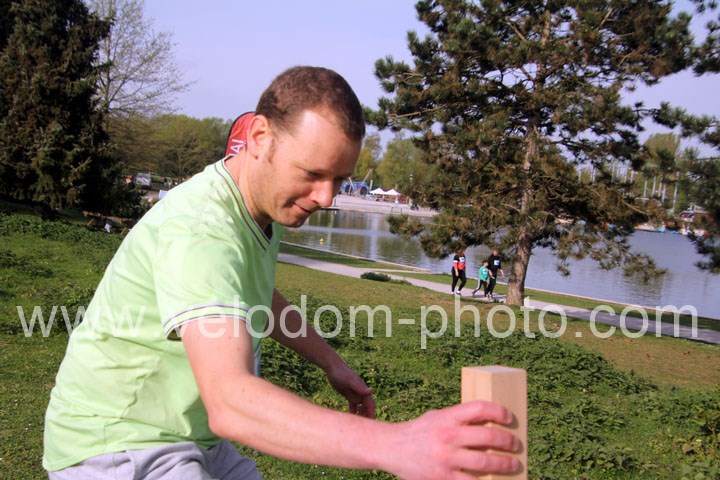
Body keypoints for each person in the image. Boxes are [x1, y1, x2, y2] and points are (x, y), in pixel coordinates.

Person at [43, 66, 520, 480]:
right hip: (119, 444)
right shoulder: (202, 230)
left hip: (191, 437)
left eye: (337, 179)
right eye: (312, 173)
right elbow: (230, 402)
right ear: (260, 138)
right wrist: (397, 444)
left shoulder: (259, 209)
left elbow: (256, 296)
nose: (326, 197)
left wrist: (330, 363)